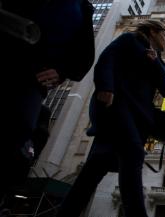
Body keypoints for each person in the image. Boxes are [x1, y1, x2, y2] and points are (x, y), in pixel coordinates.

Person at [27, 20, 165, 217]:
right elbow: (106, 61)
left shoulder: (159, 59)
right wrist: (106, 87)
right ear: (153, 31)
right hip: (116, 109)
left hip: (137, 120)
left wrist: (155, 64)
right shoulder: (129, 41)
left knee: (87, 180)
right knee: (133, 155)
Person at [0, 0, 95, 206]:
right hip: (6, 60)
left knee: (17, 134)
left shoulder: (83, 8)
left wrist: (62, 71)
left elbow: (85, 55)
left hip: (31, 82)